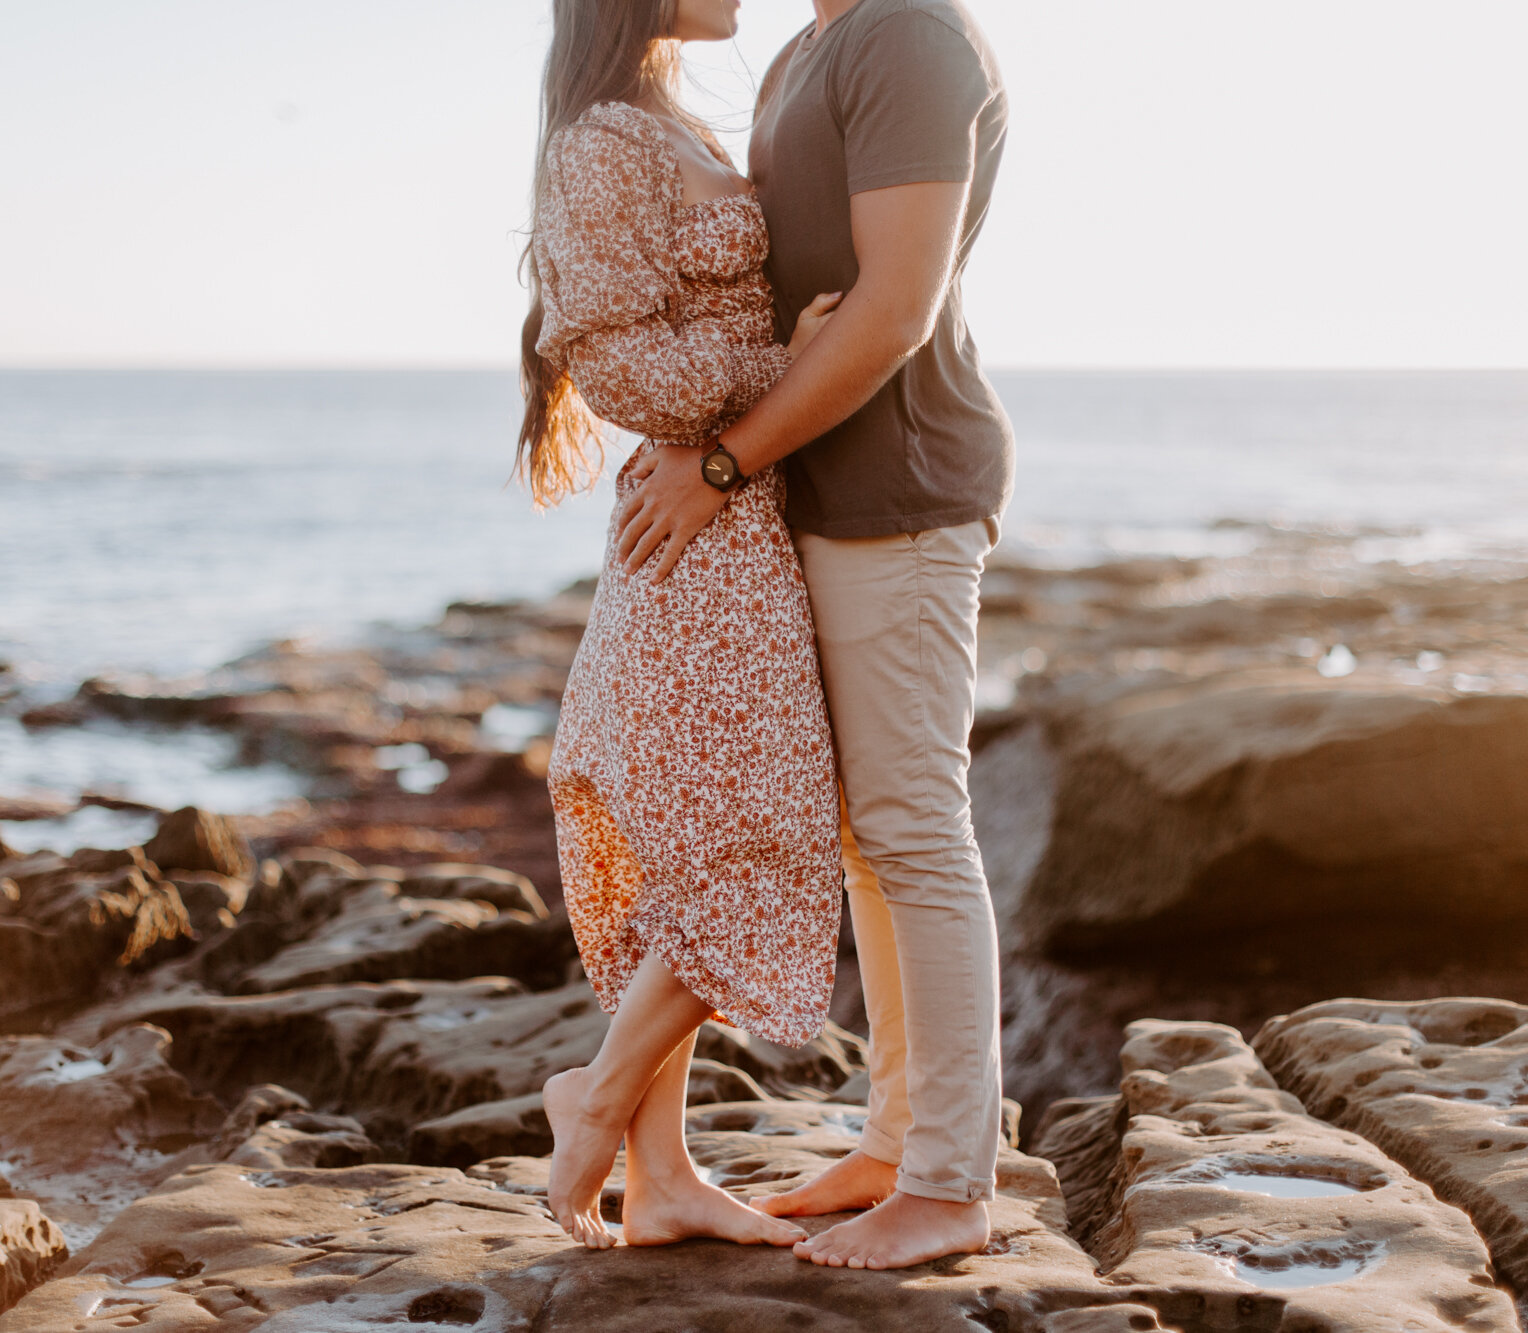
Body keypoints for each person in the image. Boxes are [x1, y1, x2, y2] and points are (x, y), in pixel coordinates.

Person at [613, 0, 1013, 1271]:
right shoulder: (807, 47)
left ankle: (951, 1182)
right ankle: (897, 1142)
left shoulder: (908, 37)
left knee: (911, 828)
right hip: (816, 494)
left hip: (896, 492)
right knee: (862, 839)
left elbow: (893, 306)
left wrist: (721, 464)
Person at [520, 0, 850, 1251]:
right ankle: (596, 1097)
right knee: (752, 834)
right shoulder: (597, 141)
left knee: (698, 843)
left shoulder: (681, 123)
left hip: (736, 521)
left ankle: (660, 1179)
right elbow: (621, 370)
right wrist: (788, 367)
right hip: (694, 538)